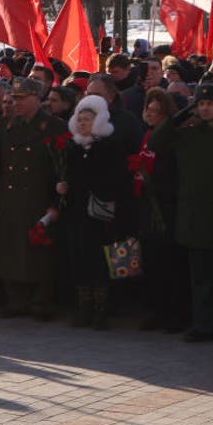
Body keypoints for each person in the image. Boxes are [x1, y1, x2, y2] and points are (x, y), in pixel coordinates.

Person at [149, 82, 213, 347]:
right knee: (199, 279)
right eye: (201, 104)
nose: (205, 108)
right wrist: (179, 115)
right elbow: (156, 141)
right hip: (193, 218)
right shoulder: (188, 136)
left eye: (210, 104)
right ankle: (202, 325)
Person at [0, 77, 67, 319]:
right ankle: (16, 301)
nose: (17, 103)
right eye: (15, 98)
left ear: (37, 99)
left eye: (23, 98)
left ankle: (41, 303)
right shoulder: (7, 126)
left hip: (38, 197)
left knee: (39, 252)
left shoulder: (54, 127)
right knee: (10, 250)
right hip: (10, 198)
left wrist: (56, 204)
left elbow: (61, 169)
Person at [55, 96, 132, 329]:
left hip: (100, 214)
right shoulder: (73, 147)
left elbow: (117, 180)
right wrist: (63, 186)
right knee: (79, 259)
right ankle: (83, 306)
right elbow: (69, 174)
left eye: (87, 120)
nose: (82, 124)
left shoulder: (110, 146)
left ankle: (101, 309)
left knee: (99, 262)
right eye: (79, 119)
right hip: (77, 212)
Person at [134, 89, 187, 333]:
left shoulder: (172, 138)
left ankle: (173, 314)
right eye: (148, 110)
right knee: (151, 262)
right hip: (147, 207)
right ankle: (154, 310)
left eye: (156, 111)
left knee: (170, 264)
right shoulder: (146, 135)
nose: (150, 114)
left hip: (167, 206)